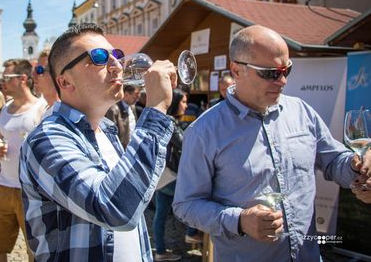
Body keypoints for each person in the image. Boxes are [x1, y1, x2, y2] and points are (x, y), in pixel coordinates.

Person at [173, 25, 360, 262]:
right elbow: (186, 205)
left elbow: (334, 161)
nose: (282, 81)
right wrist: (239, 220)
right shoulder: (204, 131)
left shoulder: (301, 111)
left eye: (287, 70)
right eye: (271, 73)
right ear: (236, 70)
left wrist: (355, 165)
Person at [19, 23, 176, 261]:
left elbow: (134, 204)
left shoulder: (107, 131)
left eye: (117, 55)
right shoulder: (47, 139)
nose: (117, 65)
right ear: (65, 82)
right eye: (100, 57)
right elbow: (114, 209)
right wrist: (156, 110)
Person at [0, 58, 47, 262]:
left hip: (31, 191)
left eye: (7, 78)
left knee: (36, 252)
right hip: (3, 187)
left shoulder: (42, 108)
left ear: (23, 79)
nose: (2, 82)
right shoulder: (3, 110)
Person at [152, 88, 189, 261]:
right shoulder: (170, 122)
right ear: (175, 103)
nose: (186, 105)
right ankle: (192, 232)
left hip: (163, 174)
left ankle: (160, 251)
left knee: (160, 214)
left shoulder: (166, 120)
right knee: (193, 198)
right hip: (170, 175)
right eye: (183, 101)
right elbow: (184, 144)